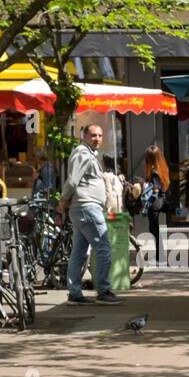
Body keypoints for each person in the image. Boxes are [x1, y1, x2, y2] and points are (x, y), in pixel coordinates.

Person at [59, 124, 123, 305]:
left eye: (100, 135)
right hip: (86, 208)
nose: (97, 139)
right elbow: (72, 180)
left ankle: (75, 294)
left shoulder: (88, 153)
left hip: (84, 208)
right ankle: (103, 291)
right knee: (104, 248)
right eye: (93, 135)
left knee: (78, 253)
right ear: (84, 136)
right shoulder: (82, 153)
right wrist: (63, 200)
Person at [140, 144, 170, 261]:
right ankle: (160, 256)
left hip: (155, 203)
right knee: (155, 230)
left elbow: (155, 190)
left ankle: (160, 256)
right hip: (162, 200)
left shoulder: (153, 171)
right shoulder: (163, 168)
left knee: (154, 230)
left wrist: (144, 185)